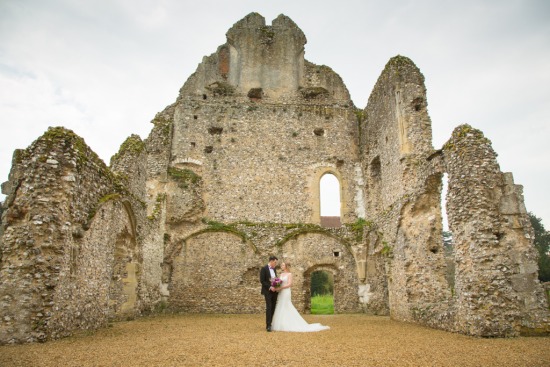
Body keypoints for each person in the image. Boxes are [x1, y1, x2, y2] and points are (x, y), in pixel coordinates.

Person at [271, 262, 330, 332]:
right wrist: (276, 286)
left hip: (286, 291)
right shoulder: (281, 274)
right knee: (280, 305)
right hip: (281, 292)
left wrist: (281, 288)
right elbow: (279, 283)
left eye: (283, 265)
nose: (281, 266)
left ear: (286, 266)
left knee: (286, 305)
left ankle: (290, 324)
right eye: (281, 265)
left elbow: (289, 284)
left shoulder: (289, 274)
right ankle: (281, 324)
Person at [259, 256, 278, 332]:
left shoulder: (274, 269)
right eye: (275, 262)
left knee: (273, 307)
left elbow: (275, 279)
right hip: (267, 291)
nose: (276, 264)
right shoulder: (264, 269)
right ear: (271, 261)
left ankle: (271, 322)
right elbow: (262, 281)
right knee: (269, 307)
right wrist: (270, 287)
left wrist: (277, 285)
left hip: (275, 291)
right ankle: (268, 325)